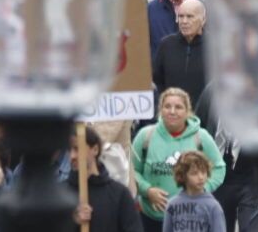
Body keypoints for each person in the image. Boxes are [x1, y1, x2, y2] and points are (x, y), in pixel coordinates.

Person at [130, 88, 224, 229]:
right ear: (160, 110)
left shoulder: (201, 137)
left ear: (187, 111)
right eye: (167, 106)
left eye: (178, 107)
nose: (172, 111)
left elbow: (219, 168)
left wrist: (202, 189)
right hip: (149, 217)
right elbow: (132, 170)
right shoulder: (145, 136)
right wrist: (147, 190)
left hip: (187, 221)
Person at [67, 124, 140, 232]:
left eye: (77, 149)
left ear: (95, 149)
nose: (72, 156)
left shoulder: (120, 194)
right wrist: (72, 222)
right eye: (69, 150)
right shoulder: (60, 195)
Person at [159, 149, 222, 232]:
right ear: (183, 176)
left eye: (203, 172)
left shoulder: (213, 206)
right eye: (194, 173)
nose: (201, 177)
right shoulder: (172, 205)